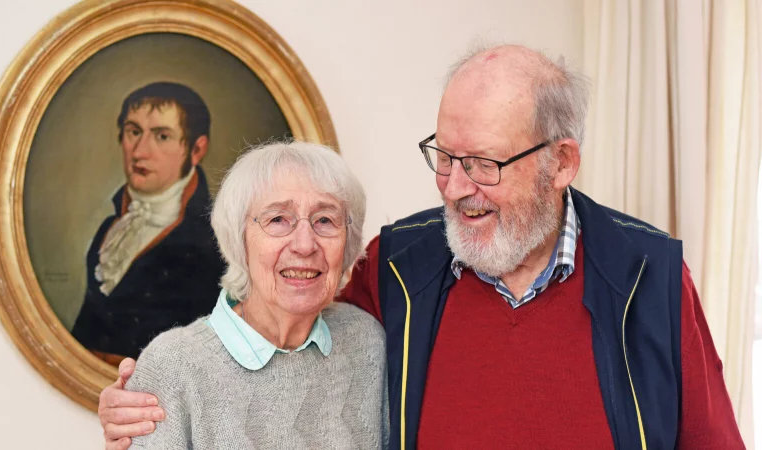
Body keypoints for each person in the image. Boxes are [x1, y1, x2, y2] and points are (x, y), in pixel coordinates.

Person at [99, 46, 745, 449]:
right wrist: (144, 400)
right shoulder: (398, 265)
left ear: (562, 163)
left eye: (485, 164)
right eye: (444, 156)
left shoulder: (647, 277)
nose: (455, 188)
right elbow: (282, 336)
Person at [121, 141, 387, 449]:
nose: (304, 244)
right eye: (278, 219)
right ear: (239, 239)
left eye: (325, 220)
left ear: (348, 241)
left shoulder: (367, 343)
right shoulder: (174, 364)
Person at [72, 82, 225, 363]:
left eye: (162, 136)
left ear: (196, 149)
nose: (140, 151)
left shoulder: (216, 240)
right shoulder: (111, 229)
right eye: (133, 132)